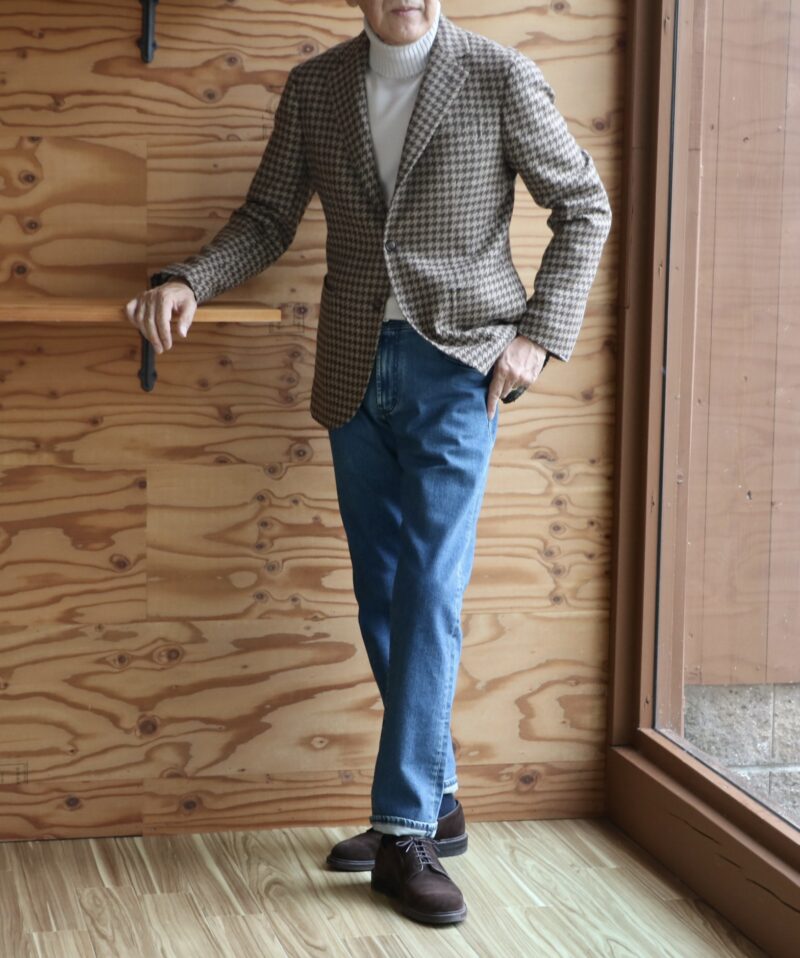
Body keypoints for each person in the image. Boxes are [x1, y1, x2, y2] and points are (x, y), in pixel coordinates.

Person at [125, 0, 611, 926]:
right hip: (354, 369)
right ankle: (438, 800)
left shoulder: (498, 75)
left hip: (458, 370)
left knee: (428, 589)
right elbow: (268, 217)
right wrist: (189, 278)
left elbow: (584, 206)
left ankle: (402, 831)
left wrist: (539, 337)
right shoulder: (316, 88)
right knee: (382, 592)